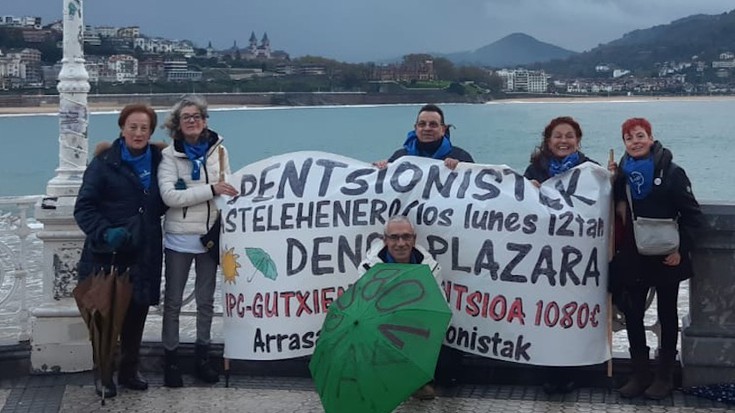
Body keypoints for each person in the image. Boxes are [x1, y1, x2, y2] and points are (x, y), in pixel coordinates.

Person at [74, 103, 167, 398]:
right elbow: (84, 207)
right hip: (108, 254)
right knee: (105, 315)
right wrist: (105, 232)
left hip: (145, 251)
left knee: (136, 312)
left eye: (144, 128)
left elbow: (162, 200)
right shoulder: (104, 163)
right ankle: (103, 374)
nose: (138, 133)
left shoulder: (160, 161)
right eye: (133, 127)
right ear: (122, 129)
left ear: (151, 131)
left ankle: (129, 370)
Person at [610, 117, 702, 400]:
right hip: (634, 255)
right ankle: (639, 374)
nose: (635, 142)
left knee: (666, 315)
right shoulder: (622, 174)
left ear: (651, 138)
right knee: (633, 315)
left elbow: (692, 215)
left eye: (640, 136)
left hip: (666, 256)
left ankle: (663, 377)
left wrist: (681, 249)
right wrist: (610, 179)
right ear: (624, 143)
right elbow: (612, 208)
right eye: (629, 138)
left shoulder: (672, 173)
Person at [158, 94, 238, 387]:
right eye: (186, 117)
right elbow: (170, 197)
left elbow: (228, 188)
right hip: (179, 238)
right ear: (177, 125)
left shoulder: (219, 152)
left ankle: (202, 358)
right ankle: (171, 360)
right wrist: (211, 188)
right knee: (173, 302)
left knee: (206, 302)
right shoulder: (169, 156)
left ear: (205, 121)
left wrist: (228, 193)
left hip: (210, 238)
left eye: (197, 116)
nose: (192, 121)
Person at [523, 116, 598, 394]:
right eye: (558, 136)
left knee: (570, 317)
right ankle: (546, 369)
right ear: (548, 140)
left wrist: (614, 178)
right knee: (544, 316)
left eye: (569, 136)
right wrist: (528, 190)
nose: (563, 140)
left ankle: (570, 371)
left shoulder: (592, 171)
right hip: (543, 259)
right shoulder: (535, 169)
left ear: (578, 140)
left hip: (576, 262)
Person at [358, 215, 442, 400]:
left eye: (406, 237)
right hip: (382, 326)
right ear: (385, 240)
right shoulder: (368, 268)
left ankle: (418, 382)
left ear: (414, 239)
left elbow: (439, 303)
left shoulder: (431, 267)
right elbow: (364, 306)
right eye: (394, 237)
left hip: (415, 326)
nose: (401, 243)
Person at [374, 104, 474, 170]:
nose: (427, 128)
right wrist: (378, 168)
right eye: (422, 124)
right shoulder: (400, 157)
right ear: (416, 128)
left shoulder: (461, 157)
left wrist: (461, 168)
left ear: (443, 129)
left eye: (433, 124)